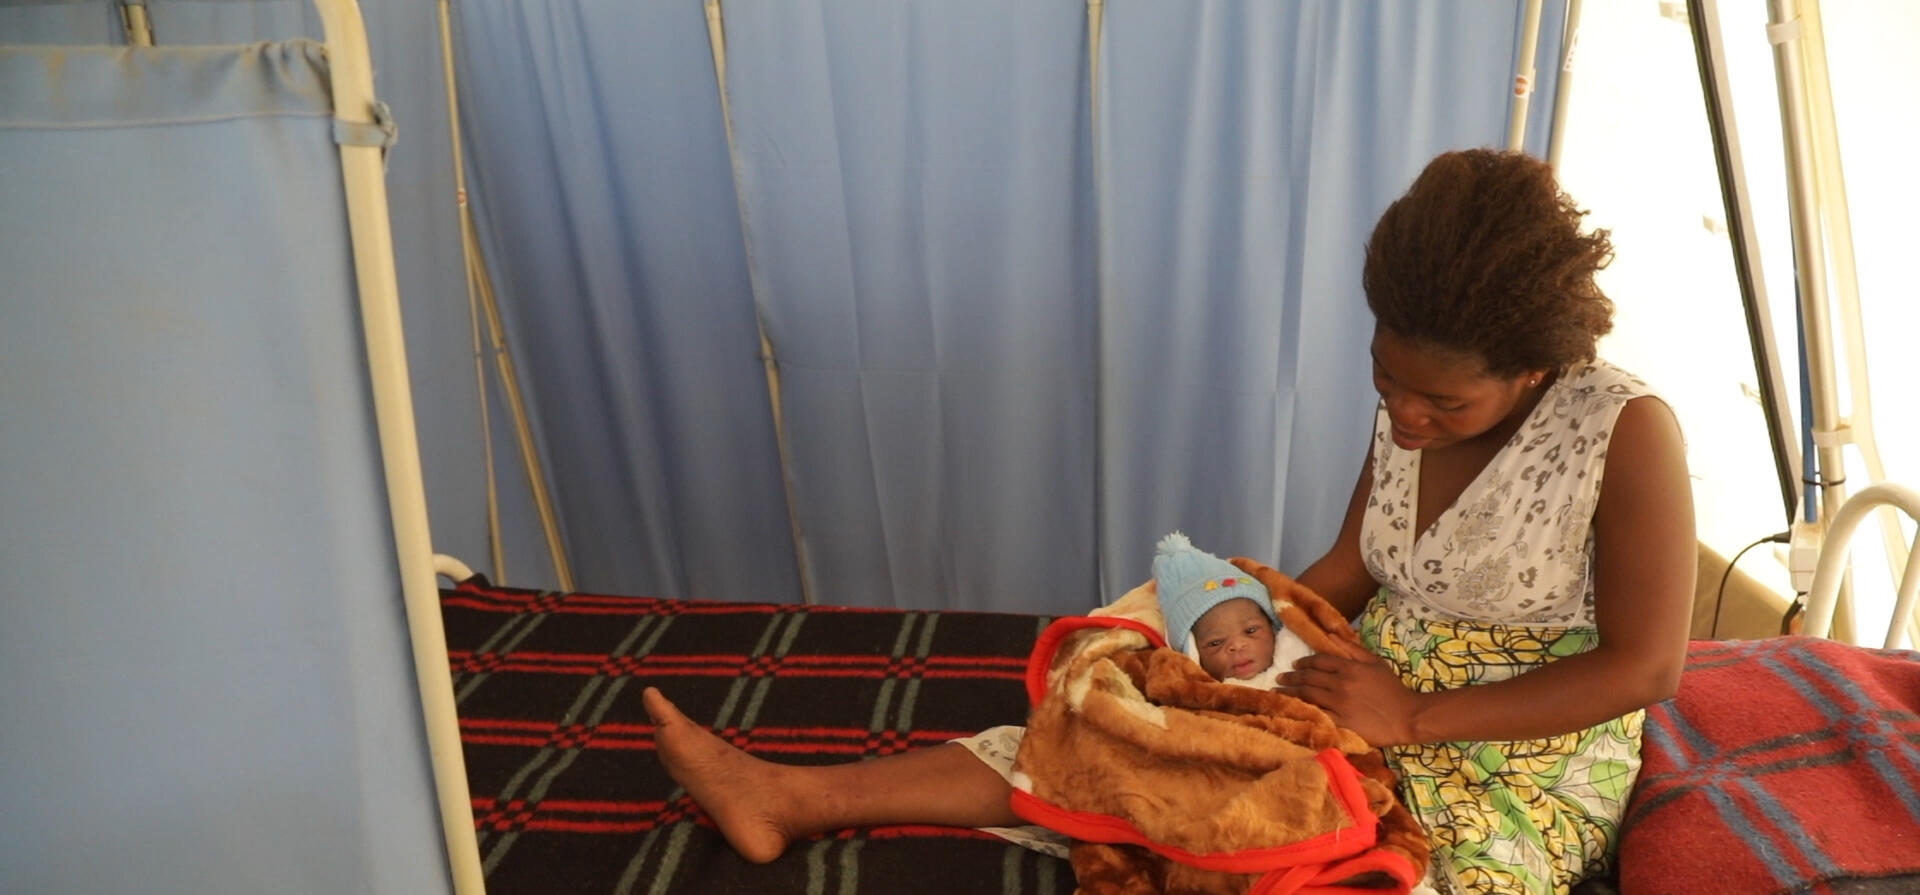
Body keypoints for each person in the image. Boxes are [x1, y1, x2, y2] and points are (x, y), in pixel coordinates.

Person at [643, 147, 1696, 895]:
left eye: (1442, 403)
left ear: (1531, 369)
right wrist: (1223, 625)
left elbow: (1647, 667)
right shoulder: (1417, 397)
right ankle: (790, 796)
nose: (1406, 416)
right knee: (1126, 730)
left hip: (1513, 750)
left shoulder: (1624, 431)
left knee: (1334, 855)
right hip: (1358, 678)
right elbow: (1355, 563)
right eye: (1386, 381)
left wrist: (1414, 716)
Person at [1153, 530, 1313, 687]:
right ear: (1192, 653)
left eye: (1251, 630)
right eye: (1215, 642)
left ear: (1273, 628)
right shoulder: (1198, 693)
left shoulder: (1301, 665)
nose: (1237, 645)